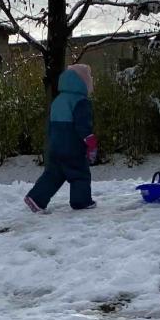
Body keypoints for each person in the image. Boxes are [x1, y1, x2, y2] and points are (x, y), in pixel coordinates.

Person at [25, 64, 98, 213]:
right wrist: (91, 143)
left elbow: (50, 125)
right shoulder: (80, 101)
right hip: (73, 147)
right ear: (83, 82)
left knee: (54, 174)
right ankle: (81, 202)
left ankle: (36, 198)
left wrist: (51, 142)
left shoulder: (58, 100)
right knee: (80, 174)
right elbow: (83, 126)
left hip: (55, 146)